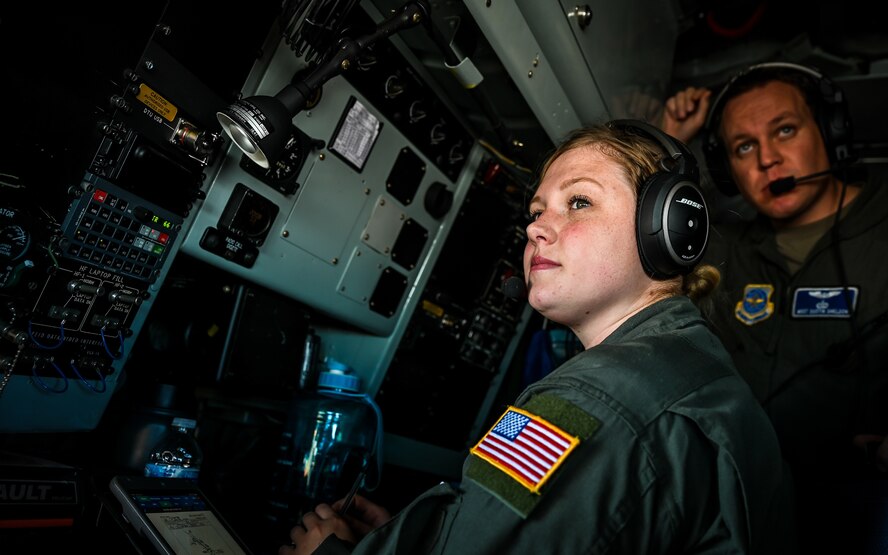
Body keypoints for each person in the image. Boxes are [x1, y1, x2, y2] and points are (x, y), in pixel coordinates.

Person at [278, 120, 797, 554]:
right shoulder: (692, 369)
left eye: (578, 203)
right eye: (535, 211)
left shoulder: (590, 401)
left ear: (667, 229)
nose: (536, 228)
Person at [661, 62, 888, 553]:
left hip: (859, 504)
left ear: (830, 132)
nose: (768, 159)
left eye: (785, 130)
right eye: (744, 147)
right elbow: (646, 245)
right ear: (729, 172)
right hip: (736, 502)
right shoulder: (723, 248)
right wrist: (670, 142)